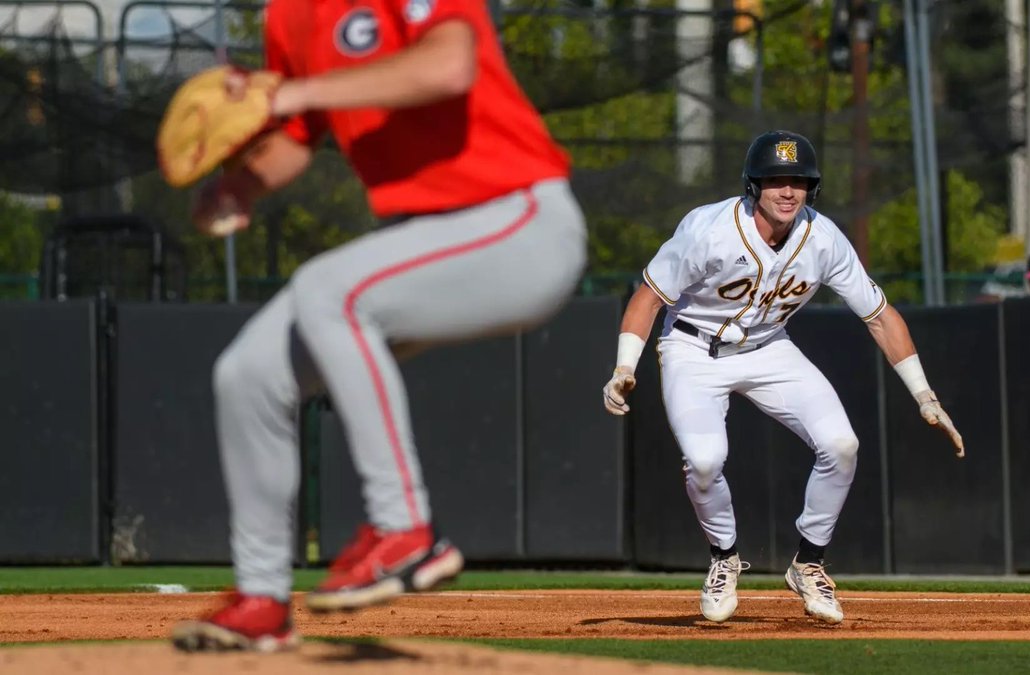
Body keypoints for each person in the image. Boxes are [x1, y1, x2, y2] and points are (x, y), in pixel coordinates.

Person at [171, 0, 587, 653]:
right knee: (246, 375)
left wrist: (291, 92)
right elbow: (300, 134)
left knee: (327, 288)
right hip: (428, 236)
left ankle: (404, 527)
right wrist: (242, 186)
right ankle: (260, 600)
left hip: (519, 218)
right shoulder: (288, 15)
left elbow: (449, 65)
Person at [601, 131, 963, 626]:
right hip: (692, 348)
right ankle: (724, 558)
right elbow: (649, 295)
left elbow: (879, 315)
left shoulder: (824, 238)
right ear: (754, 185)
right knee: (705, 461)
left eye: (798, 180)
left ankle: (808, 563)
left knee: (841, 445)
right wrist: (624, 367)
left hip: (770, 348)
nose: (787, 191)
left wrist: (925, 395)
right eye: (775, 181)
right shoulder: (709, 230)